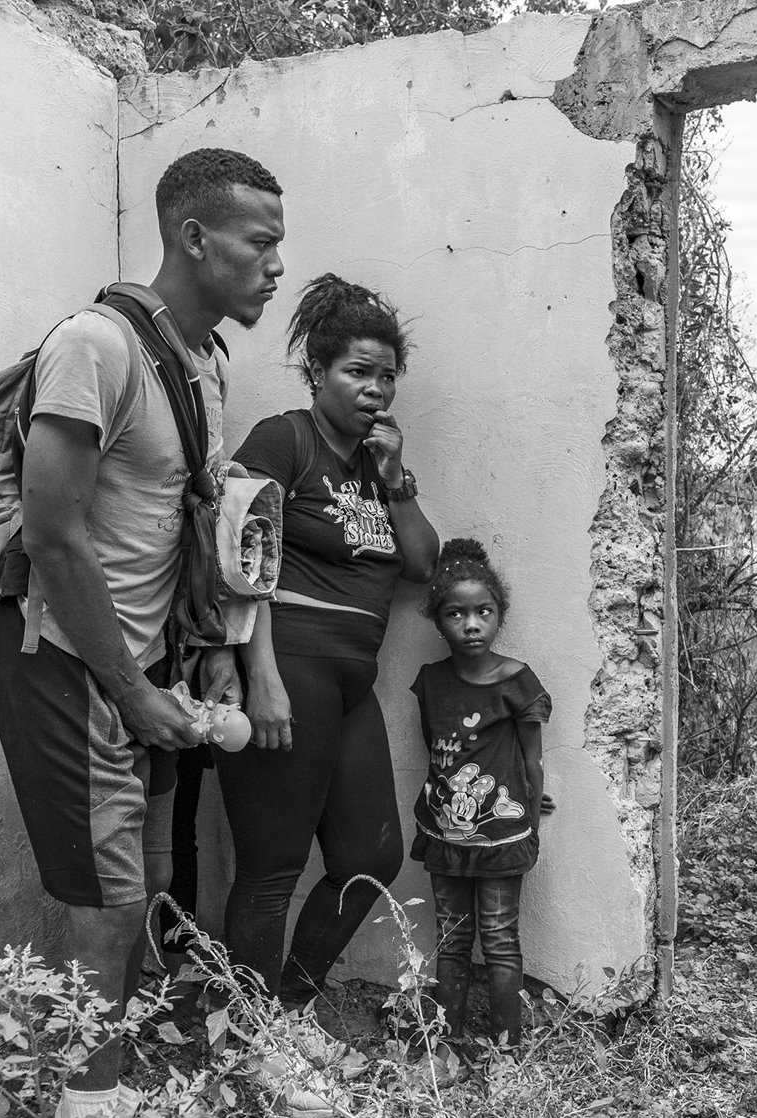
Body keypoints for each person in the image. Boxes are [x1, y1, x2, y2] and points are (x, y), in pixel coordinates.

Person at [0, 147, 283, 1118]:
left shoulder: (200, 365)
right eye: (257, 238)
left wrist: (196, 663)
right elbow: (54, 533)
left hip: (139, 674)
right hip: (69, 666)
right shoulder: (95, 345)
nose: (274, 261)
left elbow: (175, 529)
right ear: (194, 237)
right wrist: (131, 687)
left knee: (135, 886)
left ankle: (102, 1090)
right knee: (109, 904)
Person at [214, 275, 440, 1064]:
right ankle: (249, 1038)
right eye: (357, 372)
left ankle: (283, 1008)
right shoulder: (284, 440)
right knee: (272, 867)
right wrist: (261, 676)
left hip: (350, 682)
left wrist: (397, 477)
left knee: (372, 856)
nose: (375, 389)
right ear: (317, 371)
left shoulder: (377, 469)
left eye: (385, 376)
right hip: (290, 668)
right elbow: (241, 558)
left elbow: (421, 565)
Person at [409, 539, 553, 1048]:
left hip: (500, 839)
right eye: (456, 613)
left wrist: (531, 816)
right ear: (437, 620)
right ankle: (444, 1046)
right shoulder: (430, 681)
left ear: (499, 616)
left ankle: (504, 1052)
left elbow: (533, 760)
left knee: (498, 940)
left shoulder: (517, 682)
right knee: (451, 941)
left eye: (483, 612)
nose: (471, 624)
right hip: (445, 831)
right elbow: (435, 749)